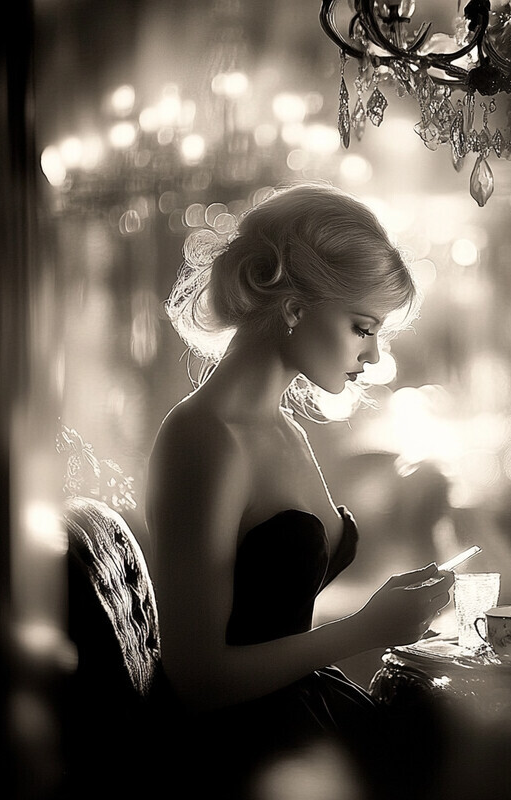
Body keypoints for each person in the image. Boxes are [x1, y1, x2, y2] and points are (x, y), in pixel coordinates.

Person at [144, 182, 454, 798]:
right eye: (363, 327)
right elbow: (198, 678)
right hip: (247, 757)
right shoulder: (205, 438)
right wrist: (365, 630)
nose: (373, 354)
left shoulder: (280, 426)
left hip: (304, 718)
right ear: (292, 307)